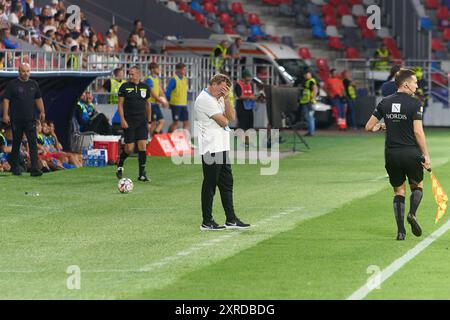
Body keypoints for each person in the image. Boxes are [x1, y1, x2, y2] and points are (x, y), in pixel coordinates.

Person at [365, 68, 431, 241]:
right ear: (406, 84)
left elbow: (368, 127)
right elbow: (418, 132)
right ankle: (412, 214)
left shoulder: (384, 102)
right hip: (411, 152)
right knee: (417, 186)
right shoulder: (415, 103)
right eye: (415, 82)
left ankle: (401, 231)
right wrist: (426, 155)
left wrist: (381, 126)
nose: (417, 85)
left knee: (398, 191)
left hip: (392, 154)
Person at [194, 73, 250, 230]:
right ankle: (206, 221)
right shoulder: (205, 99)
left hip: (222, 146)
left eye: (225, 90)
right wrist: (223, 102)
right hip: (211, 148)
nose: (223, 92)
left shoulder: (219, 98)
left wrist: (226, 99)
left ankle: (231, 219)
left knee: (226, 184)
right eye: (222, 89)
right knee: (210, 185)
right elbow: (224, 121)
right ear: (214, 84)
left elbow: (231, 117)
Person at [2, 63, 45, 176]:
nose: (25, 74)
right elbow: (6, 100)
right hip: (16, 119)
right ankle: (14, 166)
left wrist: (42, 111)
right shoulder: (13, 84)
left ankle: (35, 168)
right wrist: (6, 114)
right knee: (16, 143)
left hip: (30, 119)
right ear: (19, 71)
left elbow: (38, 99)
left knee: (33, 143)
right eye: (23, 71)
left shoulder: (33, 84)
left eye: (27, 71)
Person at [116, 66, 151, 182]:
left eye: (133, 74)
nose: (130, 76)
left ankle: (142, 174)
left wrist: (149, 121)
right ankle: (120, 163)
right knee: (129, 148)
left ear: (138, 74)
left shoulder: (145, 87)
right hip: (129, 120)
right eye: (129, 74)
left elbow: (148, 105)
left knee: (142, 146)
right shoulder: (124, 87)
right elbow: (120, 104)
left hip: (142, 121)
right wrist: (122, 119)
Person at [145, 62, 169, 135]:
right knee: (153, 123)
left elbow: (160, 90)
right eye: (157, 68)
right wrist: (160, 101)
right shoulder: (149, 79)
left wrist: (165, 100)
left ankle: (154, 136)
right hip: (150, 104)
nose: (159, 70)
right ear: (152, 69)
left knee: (161, 121)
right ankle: (151, 139)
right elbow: (151, 91)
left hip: (155, 103)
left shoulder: (157, 78)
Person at [166, 63, 189, 133]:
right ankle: (171, 138)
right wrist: (168, 101)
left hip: (184, 104)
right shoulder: (174, 79)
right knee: (175, 123)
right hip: (175, 104)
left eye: (185, 69)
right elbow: (168, 92)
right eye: (183, 69)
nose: (185, 71)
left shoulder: (185, 79)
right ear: (178, 70)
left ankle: (185, 139)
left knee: (186, 122)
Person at [235, 69, 257, 134]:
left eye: (250, 78)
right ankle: (241, 140)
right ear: (244, 78)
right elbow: (239, 96)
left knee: (250, 125)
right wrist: (249, 97)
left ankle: (248, 141)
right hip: (241, 106)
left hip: (249, 107)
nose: (249, 80)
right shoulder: (238, 84)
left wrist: (255, 98)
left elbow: (252, 94)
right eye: (248, 78)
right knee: (242, 125)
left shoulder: (251, 84)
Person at [298, 70, 318, 136]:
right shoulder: (307, 81)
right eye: (306, 74)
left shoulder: (311, 81)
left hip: (309, 101)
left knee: (309, 117)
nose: (306, 76)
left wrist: (313, 98)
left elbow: (315, 89)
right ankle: (310, 131)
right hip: (305, 101)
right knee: (308, 117)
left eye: (308, 74)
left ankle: (311, 132)